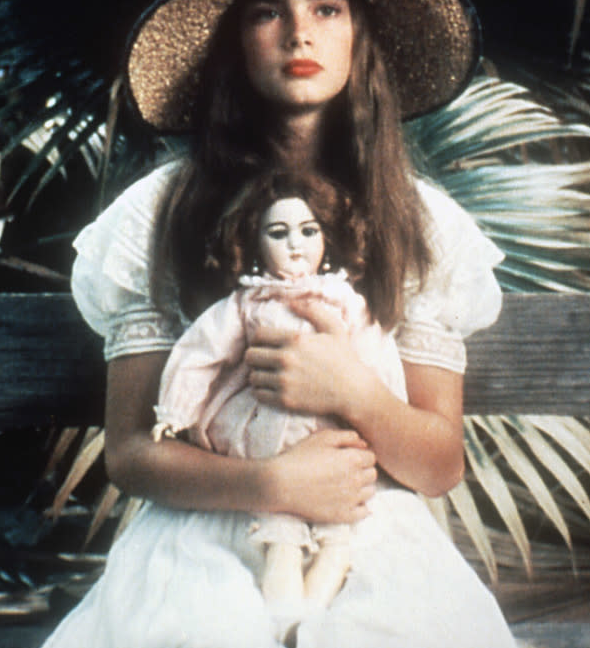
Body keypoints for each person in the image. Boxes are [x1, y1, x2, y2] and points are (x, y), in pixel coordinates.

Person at [42, 0, 516, 647]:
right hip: (205, 521)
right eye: (266, 12)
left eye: (327, 9)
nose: (300, 32)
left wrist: (350, 388)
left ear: (360, 35)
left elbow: (435, 464)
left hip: (364, 521)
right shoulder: (159, 212)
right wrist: (265, 483)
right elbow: (131, 451)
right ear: (233, 41)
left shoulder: (418, 220)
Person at [152, 169, 408, 637]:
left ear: (327, 240)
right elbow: (200, 352)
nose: (295, 245)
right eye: (278, 232)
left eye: (309, 232)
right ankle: (283, 610)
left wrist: (382, 411)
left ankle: (310, 616)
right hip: (268, 434)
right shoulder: (248, 304)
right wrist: (175, 411)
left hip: (333, 440)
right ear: (254, 243)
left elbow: (377, 361)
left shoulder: (346, 305)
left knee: (337, 541)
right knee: (282, 537)